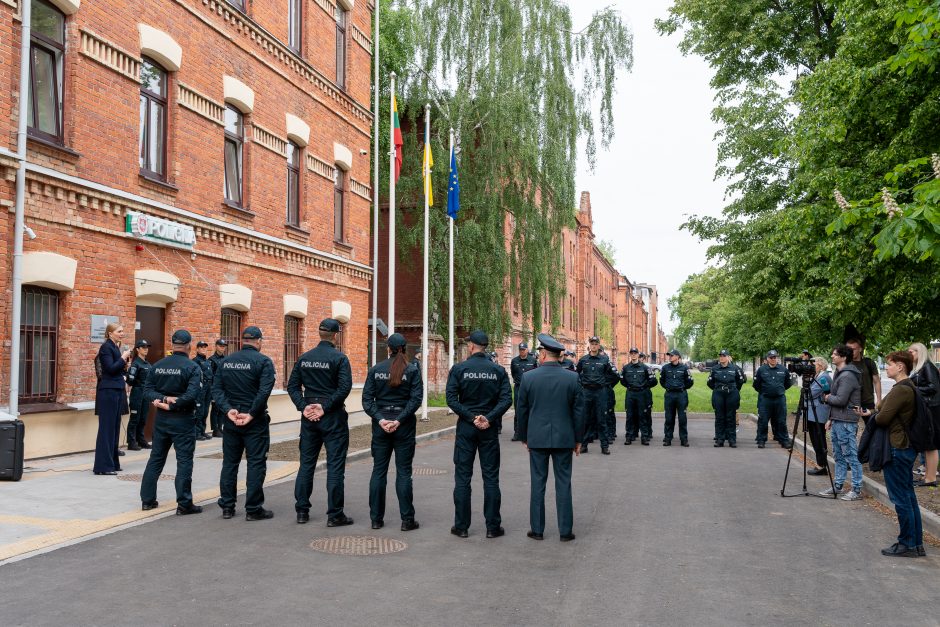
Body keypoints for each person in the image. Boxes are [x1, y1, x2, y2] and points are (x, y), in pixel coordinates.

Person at [515, 333, 585, 542]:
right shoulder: (572, 377)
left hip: (537, 438)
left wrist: (524, 436)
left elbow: (522, 410)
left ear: (544, 354)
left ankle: (537, 530)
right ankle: (565, 531)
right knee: (564, 483)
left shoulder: (529, 377)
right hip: (565, 439)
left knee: (538, 483)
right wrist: (578, 439)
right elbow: (579, 412)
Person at [856, 351, 925, 557]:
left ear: (901, 366)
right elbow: (880, 409)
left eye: (890, 364)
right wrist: (878, 410)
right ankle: (915, 543)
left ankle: (907, 544)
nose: (887, 368)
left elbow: (883, 417)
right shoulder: (906, 387)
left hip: (897, 447)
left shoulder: (902, 389)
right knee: (908, 497)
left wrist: (878, 412)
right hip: (904, 447)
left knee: (901, 498)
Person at [445, 330, 512, 539]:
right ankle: (493, 527)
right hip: (488, 429)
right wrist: (488, 418)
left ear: (472, 346)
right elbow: (506, 400)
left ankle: (462, 526)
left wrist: (471, 417)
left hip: (466, 428)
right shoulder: (498, 370)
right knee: (491, 477)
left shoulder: (459, 369)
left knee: (463, 477)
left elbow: (451, 399)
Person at [287, 318, 353, 526]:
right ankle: (335, 515)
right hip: (332, 416)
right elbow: (344, 388)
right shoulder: (340, 359)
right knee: (335, 466)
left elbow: (292, 386)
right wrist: (324, 407)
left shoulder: (304, 358)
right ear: (335, 335)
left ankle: (302, 512)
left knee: (306, 464)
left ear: (319, 333)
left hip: (309, 417)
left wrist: (304, 406)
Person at [213, 326, 276, 521]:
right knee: (256, 463)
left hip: (231, 419)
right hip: (254, 421)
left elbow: (216, 389)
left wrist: (228, 410)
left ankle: (227, 507)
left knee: (230, 463)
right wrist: (251, 413)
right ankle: (253, 509)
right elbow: (264, 392)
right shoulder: (263, 361)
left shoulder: (226, 361)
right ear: (258, 341)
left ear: (242, 341)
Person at [362, 333, 423, 531]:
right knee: (404, 473)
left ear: (388, 348)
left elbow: (367, 401)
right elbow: (415, 400)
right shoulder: (412, 370)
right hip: (403, 427)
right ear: (404, 348)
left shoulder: (375, 370)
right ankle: (407, 520)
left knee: (378, 472)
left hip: (381, 428)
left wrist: (381, 419)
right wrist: (398, 420)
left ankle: (376, 519)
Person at [140, 329, 203, 514]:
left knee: (156, 458)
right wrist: (172, 403)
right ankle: (184, 504)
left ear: (173, 345)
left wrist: (162, 399)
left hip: (161, 420)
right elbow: (192, 395)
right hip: (182, 419)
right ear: (189, 345)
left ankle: (147, 500)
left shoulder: (157, 365)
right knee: (184, 461)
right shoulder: (192, 367)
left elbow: (147, 391)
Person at [819, 344, 863, 501]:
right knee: (838, 455)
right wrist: (831, 418)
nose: (832, 356)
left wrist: (827, 398)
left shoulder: (848, 375)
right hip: (839, 419)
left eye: (835, 354)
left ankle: (856, 489)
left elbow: (841, 399)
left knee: (850, 455)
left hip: (846, 421)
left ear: (844, 357)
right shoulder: (840, 373)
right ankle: (838, 485)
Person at [93, 322, 131, 475]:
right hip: (108, 391)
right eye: (119, 331)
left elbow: (117, 369)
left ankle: (113, 463)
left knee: (114, 429)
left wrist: (124, 363)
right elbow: (109, 368)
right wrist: (123, 358)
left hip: (116, 390)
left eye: (122, 331)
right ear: (110, 333)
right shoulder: (106, 347)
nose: (122, 333)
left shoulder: (114, 347)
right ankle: (103, 467)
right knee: (107, 429)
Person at [576, 336, 618, 454]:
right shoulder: (583, 359)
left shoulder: (604, 360)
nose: (594, 345)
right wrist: (582, 383)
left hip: (600, 392)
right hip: (587, 392)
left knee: (602, 419)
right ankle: (584, 445)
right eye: (592, 343)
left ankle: (604, 446)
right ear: (589, 345)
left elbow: (614, 375)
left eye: (596, 344)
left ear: (599, 346)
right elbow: (576, 373)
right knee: (586, 419)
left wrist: (604, 382)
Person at [909, 342, 940, 487]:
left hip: (932, 409)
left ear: (919, 352)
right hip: (928, 408)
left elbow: (933, 387)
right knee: (928, 444)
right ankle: (928, 476)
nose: (909, 354)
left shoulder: (927, 366)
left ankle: (931, 478)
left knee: (932, 444)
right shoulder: (921, 368)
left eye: (912, 352)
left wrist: (913, 389)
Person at [752, 349, 794, 448]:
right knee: (763, 420)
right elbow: (756, 385)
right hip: (766, 399)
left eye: (775, 357)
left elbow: (787, 384)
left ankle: (784, 440)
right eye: (771, 358)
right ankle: (761, 440)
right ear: (767, 359)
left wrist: (778, 390)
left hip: (779, 399)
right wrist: (765, 391)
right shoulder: (761, 370)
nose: (773, 359)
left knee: (781, 420)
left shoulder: (783, 369)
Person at [707, 349, 746, 448]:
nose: (721, 357)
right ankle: (720, 439)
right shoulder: (715, 368)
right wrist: (718, 389)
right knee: (719, 417)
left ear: (728, 357)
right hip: (718, 394)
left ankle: (732, 439)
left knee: (731, 417)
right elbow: (710, 382)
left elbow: (740, 381)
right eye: (720, 355)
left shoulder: (735, 368)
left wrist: (733, 390)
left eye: (724, 356)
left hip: (731, 394)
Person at [620, 347, 656, 445]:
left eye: (635, 353)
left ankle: (644, 437)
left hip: (641, 394)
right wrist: (629, 386)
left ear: (638, 354)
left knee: (642, 415)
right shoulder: (626, 368)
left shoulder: (645, 367)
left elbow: (653, 380)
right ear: (630, 354)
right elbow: (622, 380)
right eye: (632, 353)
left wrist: (644, 386)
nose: (633, 354)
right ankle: (629, 436)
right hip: (630, 393)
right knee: (630, 416)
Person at [846, 337, 881, 433]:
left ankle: (871, 447)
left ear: (860, 349)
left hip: (867, 401)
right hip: (850, 402)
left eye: (853, 349)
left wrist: (879, 400)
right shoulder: (845, 364)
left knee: (872, 429)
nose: (850, 352)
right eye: (848, 349)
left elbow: (877, 381)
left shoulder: (869, 362)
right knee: (850, 431)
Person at [660, 349, 694, 447]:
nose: (670, 356)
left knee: (682, 418)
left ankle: (684, 439)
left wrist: (682, 388)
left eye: (672, 355)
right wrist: (668, 387)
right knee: (669, 418)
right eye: (669, 355)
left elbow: (690, 381)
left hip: (681, 395)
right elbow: (662, 381)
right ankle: (668, 438)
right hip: (669, 395)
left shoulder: (684, 368)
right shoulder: (665, 368)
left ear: (677, 357)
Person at [806, 356, 832, 475]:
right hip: (813, 413)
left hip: (818, 414)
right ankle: (820, 464)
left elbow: (811, 393)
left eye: (814, 364)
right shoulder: (817, 376)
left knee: (819, 439)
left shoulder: (824, 377)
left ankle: (822, 466)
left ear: (820, 365)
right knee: (815, 439)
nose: (811, 367)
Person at [125, 339, 153, 451]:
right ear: (137, 349)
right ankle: (131, 442)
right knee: (134, 419)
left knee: (143, 419)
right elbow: (130, 380)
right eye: (143, 347)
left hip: (145, 394)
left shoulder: (147, 364)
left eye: (147, 347)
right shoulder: (136, 364)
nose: (146, 349)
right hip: (137, 393)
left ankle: (141, 440)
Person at [509, 342, 538, 441]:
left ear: (527, 349)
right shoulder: (514, 361)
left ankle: (529, 432)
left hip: (530, 388)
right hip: (518, 387)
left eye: (524, 349)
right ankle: (517, 432)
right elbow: (513, 373)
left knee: (530, 409)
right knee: (518, 410)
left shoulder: (533, 360)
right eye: (520, 350)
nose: (522, 351)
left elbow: (536, 373)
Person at [192, 341, 213, 441]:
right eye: (201, 347)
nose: (203, 349)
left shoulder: (208, 361)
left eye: (205, 347)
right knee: (199, 411)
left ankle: (202, 431)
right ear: (197, 349)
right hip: (200, 388)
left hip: (208, 388)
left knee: (205, 411)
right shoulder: (195, 361)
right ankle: (197, 432)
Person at [207, 339, 228, 437]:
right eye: (220, 346)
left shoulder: (226, 359)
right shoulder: (211, 360)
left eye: (224, 346)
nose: (222, 348)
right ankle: (215, 430)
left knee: (222, 409)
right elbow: (210, 377)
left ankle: (220, 427)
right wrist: (212, 392)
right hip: (216, 388)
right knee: (215, 410)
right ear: (216, 346)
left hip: (224, 388)